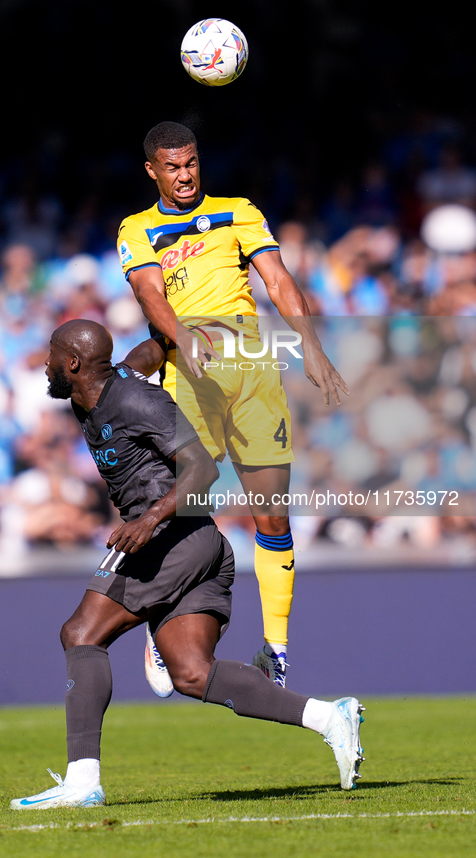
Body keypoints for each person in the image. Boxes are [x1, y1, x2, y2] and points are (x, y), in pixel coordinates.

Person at [10, 319, 365, 810]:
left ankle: (82, 780)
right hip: (198, 543)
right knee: (193, 674)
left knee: (80, 634)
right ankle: (330, 717)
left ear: (72, 363)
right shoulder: (96, 391)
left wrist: (148, 521)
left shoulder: (138, 401)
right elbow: (144, 357)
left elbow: (203, 467)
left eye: (50, 355)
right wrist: (167, 330)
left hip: (169, 538)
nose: (44, 364)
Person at [117, 121, 348, 690]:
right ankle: (160, 624)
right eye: (172, 167)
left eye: (191, 163)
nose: (185, 175)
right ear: (152, 170)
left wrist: (311, 348)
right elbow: (149, 293)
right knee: (184, 507)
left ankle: (276, 647)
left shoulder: (239, 210)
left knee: (271, 514)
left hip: (252, 375)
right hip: (190, 376)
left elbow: (278, 278)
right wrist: (183, 337)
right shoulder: (137, 228)